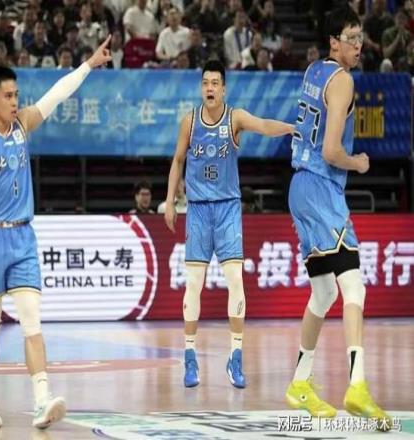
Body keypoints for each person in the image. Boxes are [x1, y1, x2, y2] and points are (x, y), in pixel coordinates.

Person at [0, 36, 112, 430]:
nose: (15, 101)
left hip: (23, 236)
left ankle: (42, 399)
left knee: (32, 322)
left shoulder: (24, 124)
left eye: (17, 95)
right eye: (8, 96)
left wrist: (89, 64)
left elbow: (57, 95)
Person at [285, 7, 392, 430]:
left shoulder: (313, 70)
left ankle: (300, 383)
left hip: (299, 187)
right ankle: (357, 385)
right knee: (354, 287)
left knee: (324, 292)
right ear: (333, 42)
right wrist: (358, 163)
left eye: (360, 37)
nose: (359, 45)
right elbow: (331, 151)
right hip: (320, 187)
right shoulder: (343, 80)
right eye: (351, 38)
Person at [164, 59, 293, 389]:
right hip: (198, 209)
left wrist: (291, 128)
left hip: (227, 208)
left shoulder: (234, 118)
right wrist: (170, 201)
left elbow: (263, 125)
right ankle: (190, 356)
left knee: (235, 279)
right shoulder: (189, 121)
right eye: (205, 83)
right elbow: (177, 160)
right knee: (194, 283)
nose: (209, 88)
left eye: (214, 83)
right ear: (201, 88)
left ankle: (235, 356)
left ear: (223, 89)